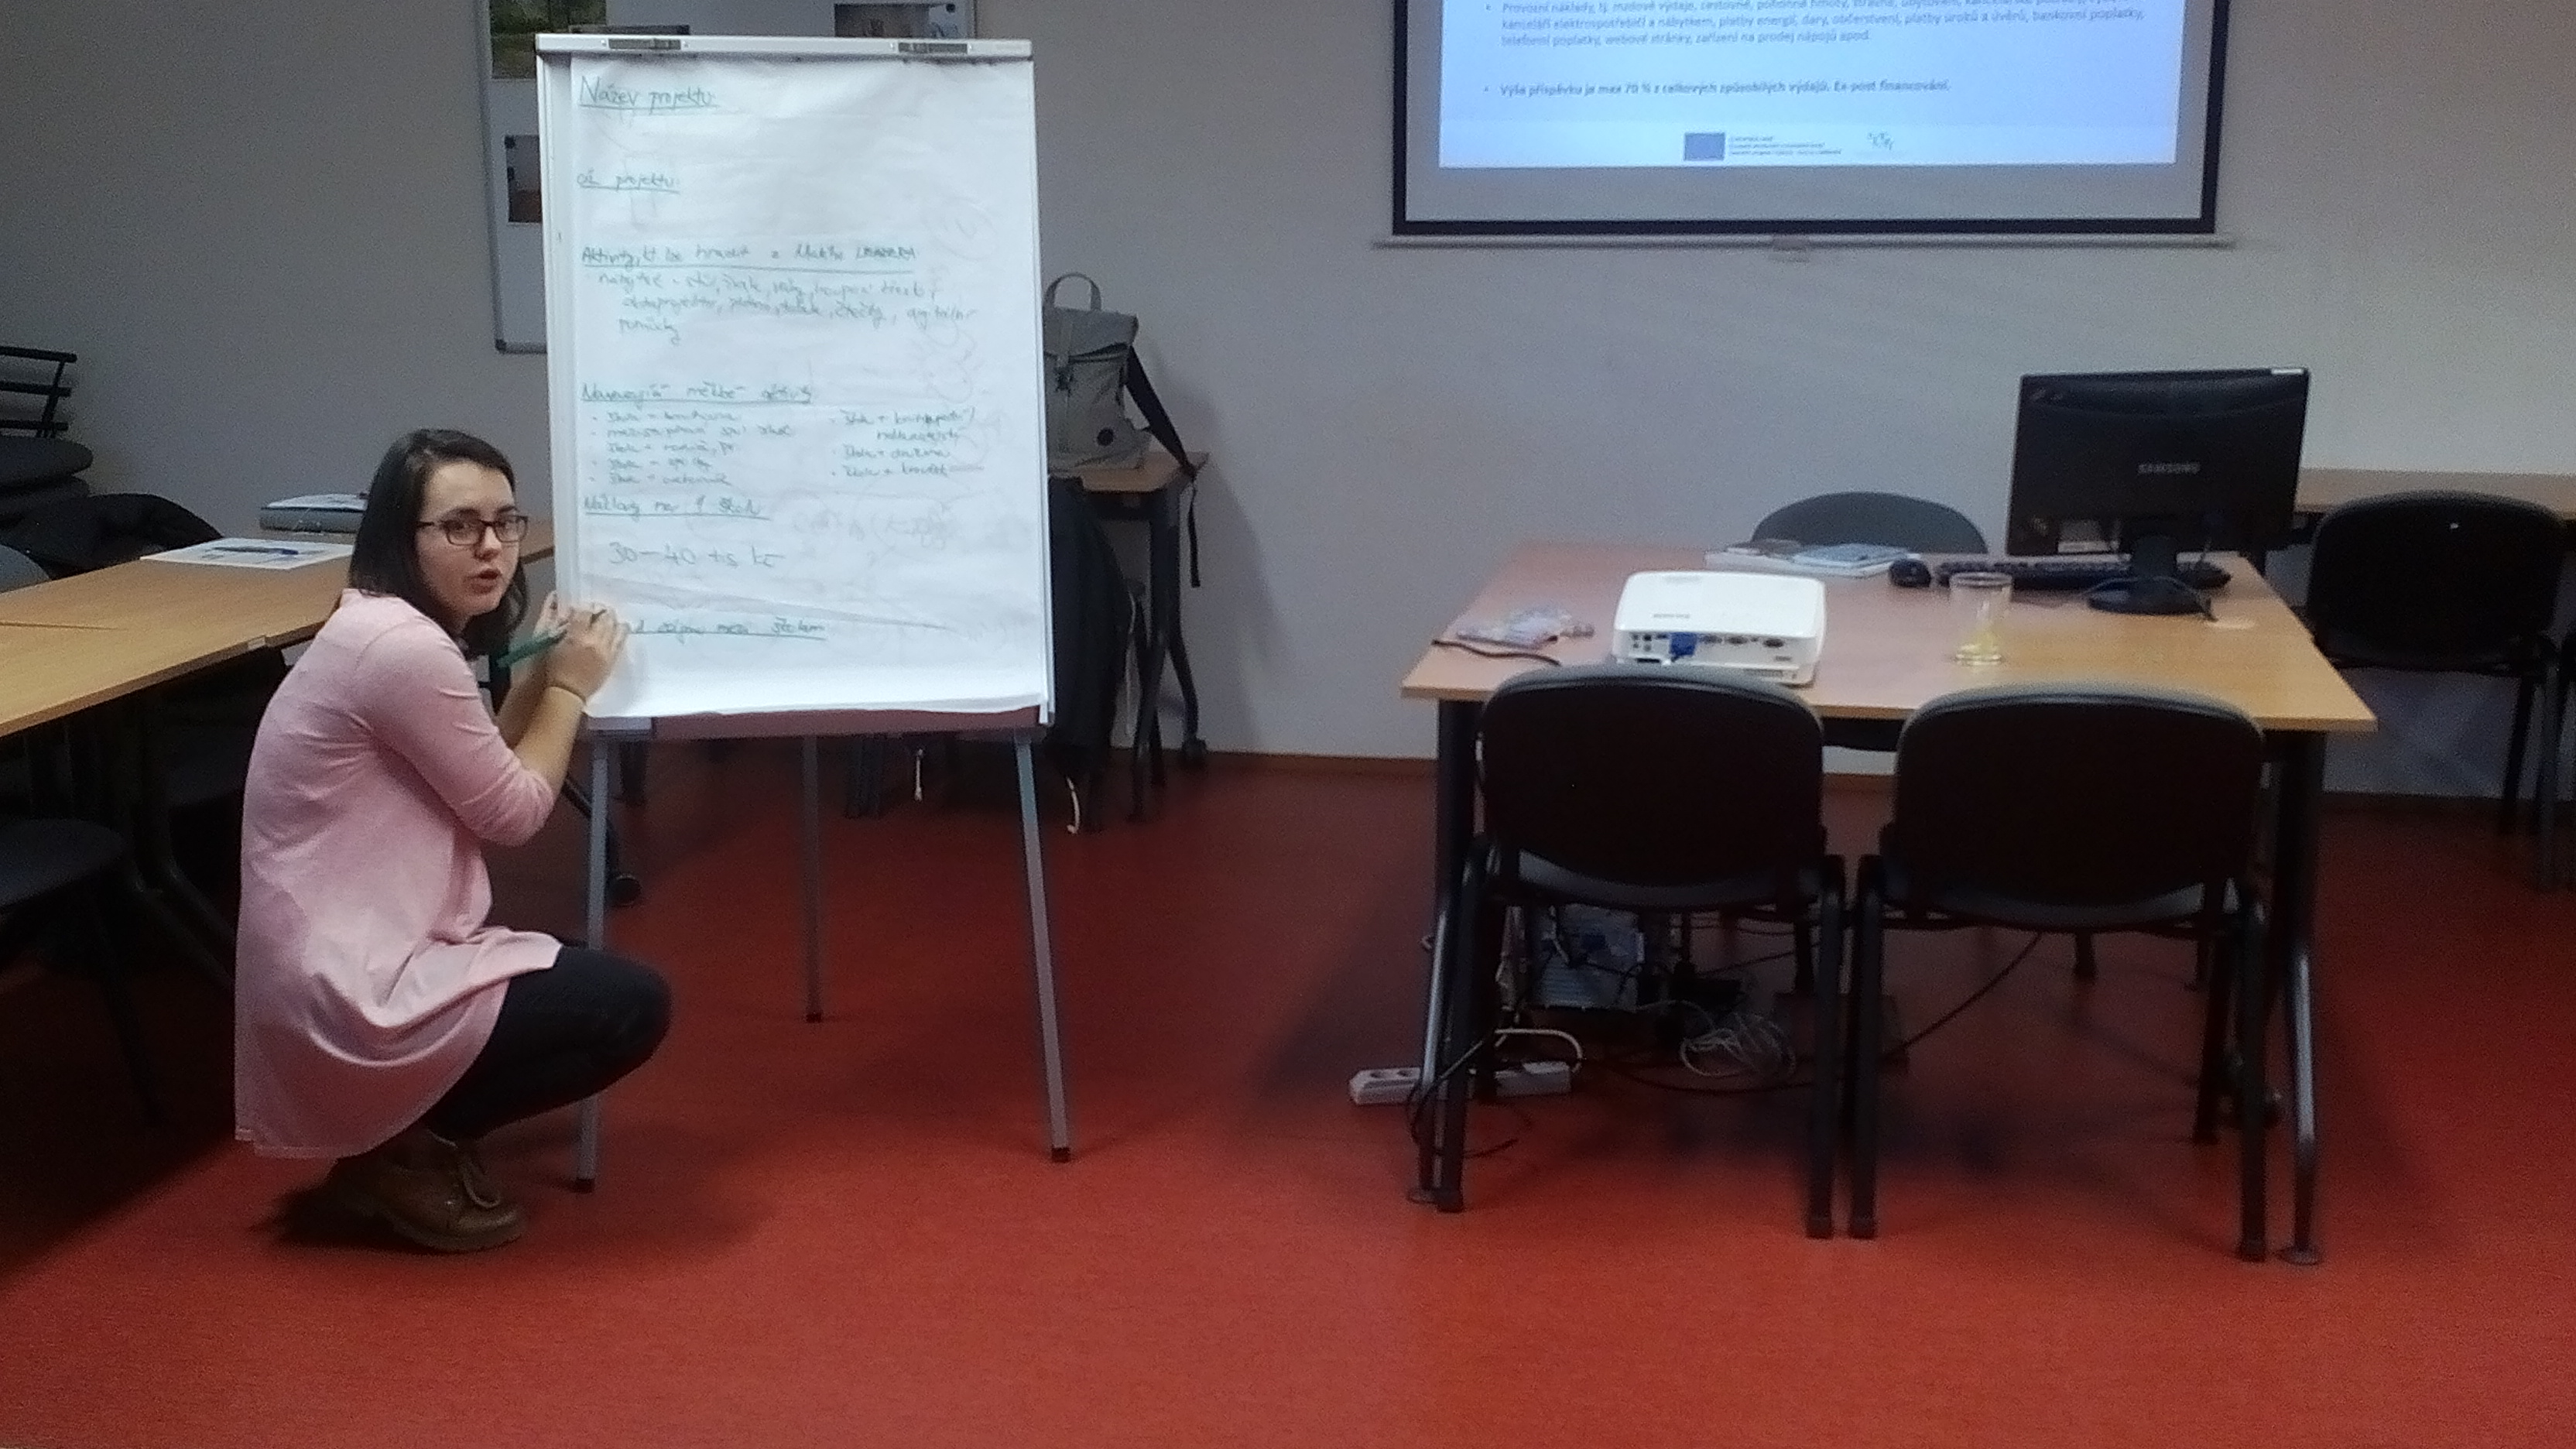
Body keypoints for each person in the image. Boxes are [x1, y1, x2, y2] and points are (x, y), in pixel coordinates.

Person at [235, 428, 670, 1252]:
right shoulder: (402, 649)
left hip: (345, 950)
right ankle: (402, 1147)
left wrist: (535, 677)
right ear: (402, 538)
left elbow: (475, 778)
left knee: (578, 974)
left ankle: (403, 1132)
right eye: (459, 526)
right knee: (630, 1007)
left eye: (506, 522)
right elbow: (511, 814)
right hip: (347, 980)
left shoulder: (383, 626)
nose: (492, 548)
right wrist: (570, 690)